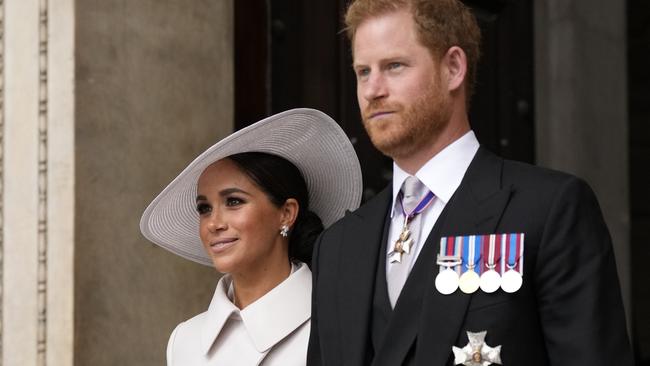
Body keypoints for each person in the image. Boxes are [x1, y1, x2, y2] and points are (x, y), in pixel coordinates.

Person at [307, 1, 634, 365]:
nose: (372, 90)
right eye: (363, 72)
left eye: (394, 66)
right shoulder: (336, 248)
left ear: (453, 68)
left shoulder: (549, 211)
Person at [140, 108, 362, 365]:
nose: (214, 223)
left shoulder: (343, 327)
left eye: (234, 201)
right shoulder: (185, 342)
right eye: (204, 208)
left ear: (287, 213)